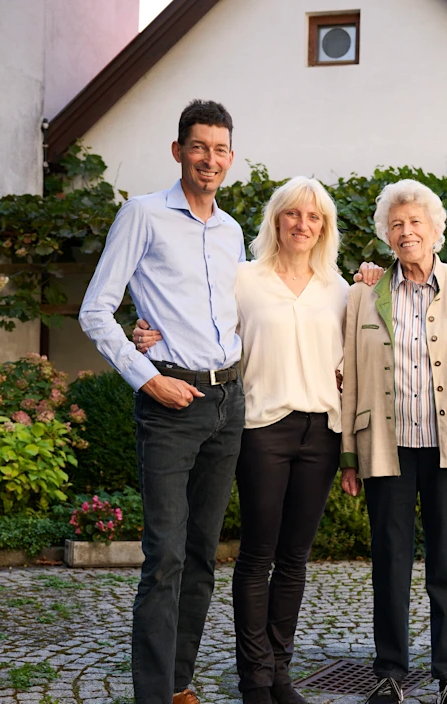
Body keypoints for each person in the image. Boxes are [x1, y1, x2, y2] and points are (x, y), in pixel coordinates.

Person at [132, 177, 350, 704]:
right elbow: (197, 320)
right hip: (261, 429)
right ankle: (254, 679)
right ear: (276, 220)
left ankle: (280, 673)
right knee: (257, 556)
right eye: (293, 214)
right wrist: (149, 332)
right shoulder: (243, 279)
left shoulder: (341, 288)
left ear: (325, 228)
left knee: (295, 558)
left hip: (322, 430)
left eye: (314, 217)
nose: (303, 224)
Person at [79, 99, 245, 704]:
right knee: (166, 555)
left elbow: (245, 311)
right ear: (178, 151)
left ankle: (178, 684)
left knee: (202, 553)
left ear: (231, 157)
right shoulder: (142, 215)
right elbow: (95, 310)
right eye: (198, 146)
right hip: (171, 402)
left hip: (229, 401)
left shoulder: (231, 231)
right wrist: (146, 374)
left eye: (220, 149)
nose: (209, 159)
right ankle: (151, 695)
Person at [339, 178, 447, 704]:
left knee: (446, 562)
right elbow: (353, 379)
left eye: (416, 223)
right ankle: (389, 672)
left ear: (436, 230)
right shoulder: (365, 293)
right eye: (396, 225)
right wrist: (348, 453)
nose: (407, 231)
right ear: (385, 236)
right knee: (389, 560)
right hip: (387, 445)